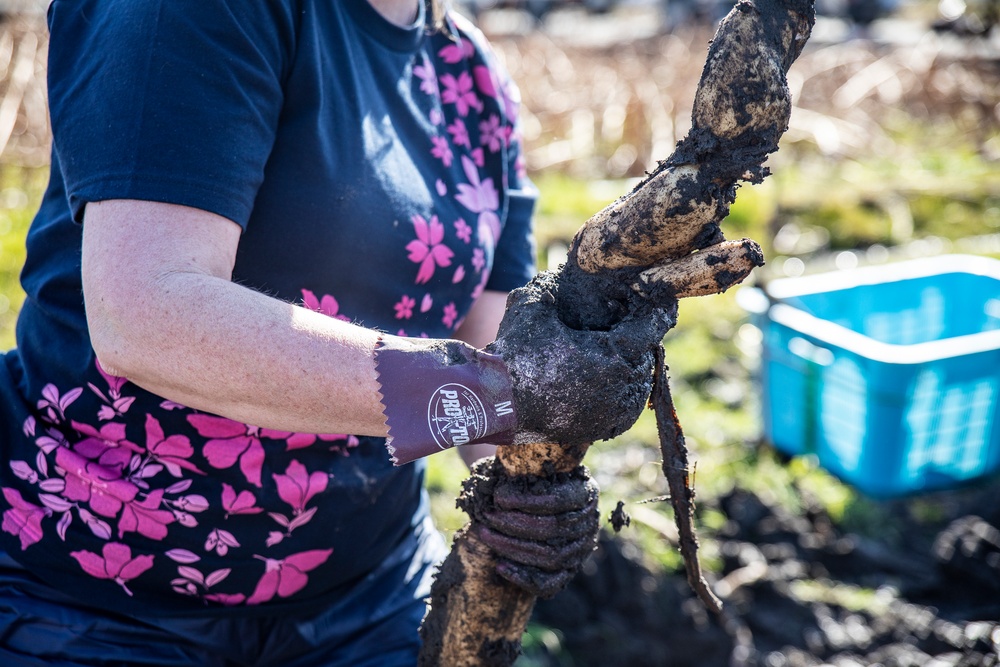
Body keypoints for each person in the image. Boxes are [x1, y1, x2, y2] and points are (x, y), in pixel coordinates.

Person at [0, 0, 664, 664]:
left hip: (367, 592)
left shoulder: (472, 77)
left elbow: (494, 359)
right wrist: (493, 393)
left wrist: (527, 488)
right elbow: (145, 316)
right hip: (90, 593)